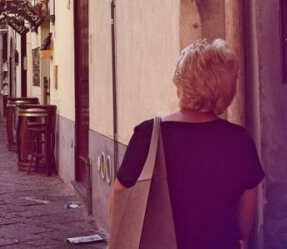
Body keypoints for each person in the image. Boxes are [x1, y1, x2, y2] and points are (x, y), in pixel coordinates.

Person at [110, 38, 264, 249]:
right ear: (227, 89)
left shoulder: (149, 135)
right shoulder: (240, 142)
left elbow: (118, 208)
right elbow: (242, 228)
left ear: (181, 83)